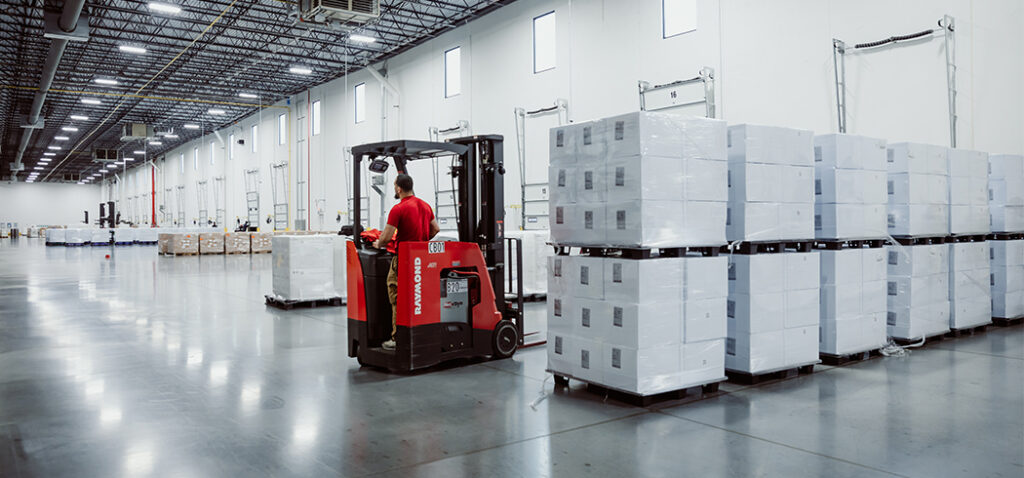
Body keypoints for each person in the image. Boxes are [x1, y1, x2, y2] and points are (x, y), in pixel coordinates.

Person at [373, 173, 440, 350]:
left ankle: (397, 338)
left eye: (395, 186)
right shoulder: (425, 206)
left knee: (396, 296)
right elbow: (436, 228)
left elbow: (386, 238)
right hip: (423, 260)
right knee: (419, 298)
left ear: (398, 188)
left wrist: (377, 242)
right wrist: (422, 242)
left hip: (403, 260)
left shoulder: (398, 209)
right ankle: (420, 334)